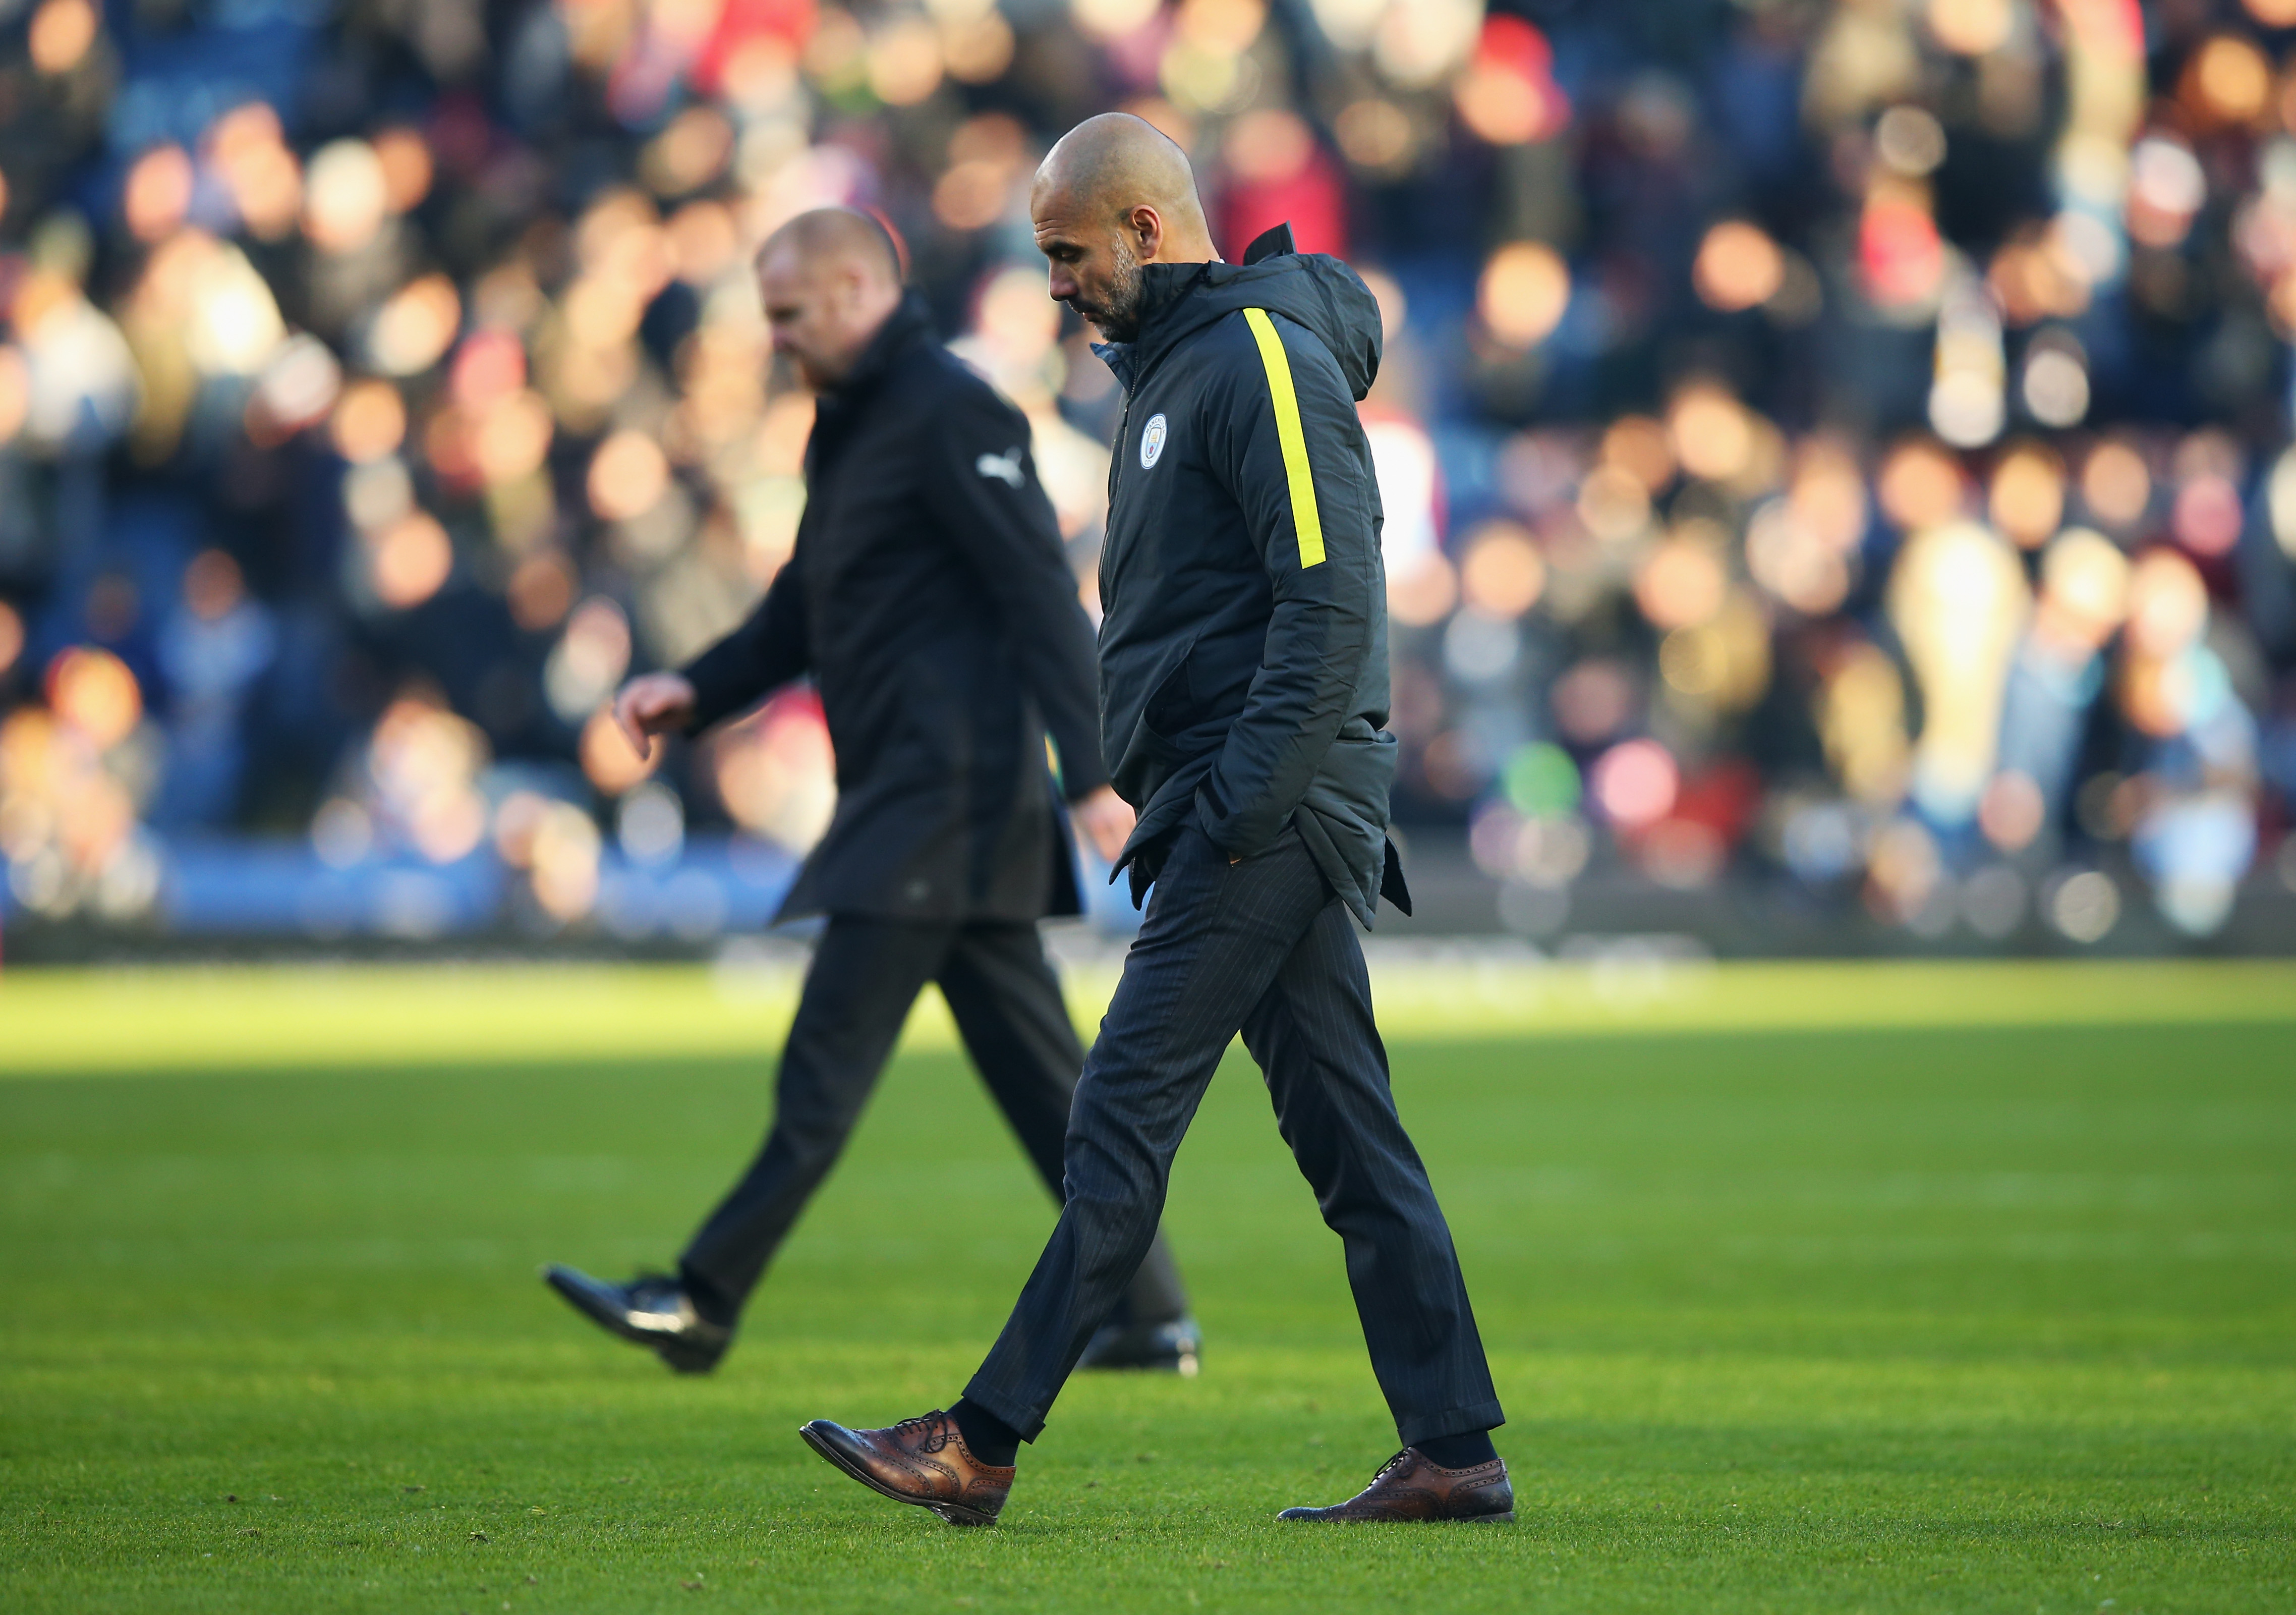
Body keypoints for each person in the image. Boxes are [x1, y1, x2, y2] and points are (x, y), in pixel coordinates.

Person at [796, 117, 1509, 1527]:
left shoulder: (1253, 359)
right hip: (1241, 801)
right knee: (1353, 1144)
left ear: (1145, 228)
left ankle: (982, 1438)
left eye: (1068, 251)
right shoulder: (1178, 371)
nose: (1054, 281)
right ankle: (1452, 1449)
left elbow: (1331, 603)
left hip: (1269, 809)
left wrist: (1239, 802)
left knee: (1117, 1110)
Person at [542, 206, 1199, 1377]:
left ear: (854, 291)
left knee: (824, 1067)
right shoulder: (851, 425)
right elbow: (806, 605)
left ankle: (702, 1297)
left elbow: (1042, 595)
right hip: (924, 803)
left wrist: (1093, 775)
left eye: (790, 315)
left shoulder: (951, 412)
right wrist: (689, 689)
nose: (779, 340)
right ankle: (1149, 1315)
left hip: (939, 802)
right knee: (1048, 1086)